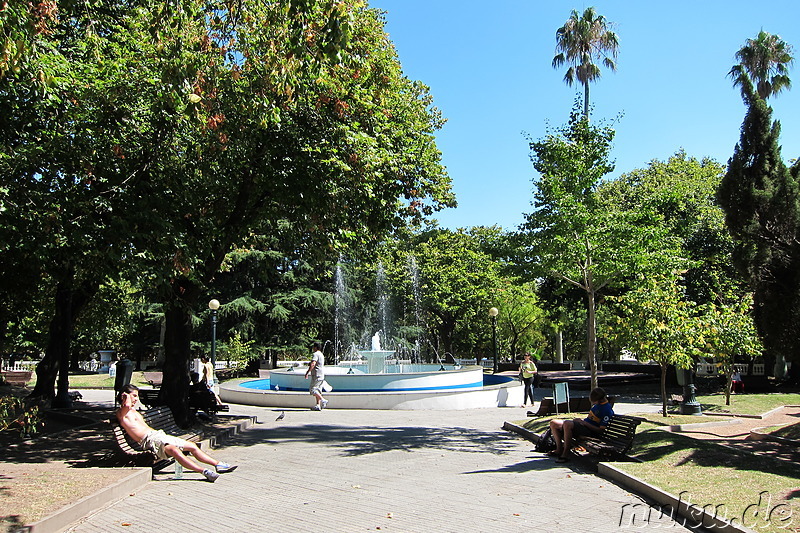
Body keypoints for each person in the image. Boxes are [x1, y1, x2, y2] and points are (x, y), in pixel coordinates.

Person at [115, 384, 237, 482]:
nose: (136, 399)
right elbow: (125, 404)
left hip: (158, 436)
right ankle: (204, 471)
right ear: (124, 396)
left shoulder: (133, 411)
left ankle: (218, 464)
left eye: (137, 396)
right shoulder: (122, 413)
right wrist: (125, 396)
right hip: (150, 441)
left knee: (192, 446)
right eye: (134, 396)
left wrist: (128, 397)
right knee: (174, 451)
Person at [548, 387, 613, 463]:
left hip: (590, 432)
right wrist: (580, 421)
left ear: (599, 400)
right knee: (554, 423)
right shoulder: (598, 405)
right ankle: (559, 449)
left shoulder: (607, 410)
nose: (594, 403)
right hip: (584, 426)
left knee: (567, 424)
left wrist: (584, 423)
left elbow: (600, 430)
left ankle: (565, 453)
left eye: (594, 401)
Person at [305, 342, 328, 411]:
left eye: (313, 347)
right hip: (321, 375)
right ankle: (318, 405)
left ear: (315, 347)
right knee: (318, 390)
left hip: (316, 375)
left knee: (313, 390)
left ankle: (323, 400)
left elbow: (313, 364)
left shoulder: (315, 354)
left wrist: (307, 372)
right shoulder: (321, 354)